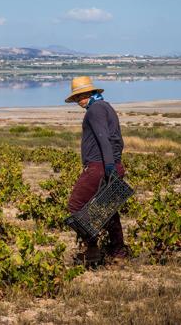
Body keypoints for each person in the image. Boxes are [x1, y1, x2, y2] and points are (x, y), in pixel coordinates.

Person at [65, 76, 127, 265]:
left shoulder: (95, 110)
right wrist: (115, 164)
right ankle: (118, 253)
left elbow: (103, 139)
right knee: (108, 210)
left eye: (81, 96)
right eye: (76, 98)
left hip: (99, 167)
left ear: (91, 93)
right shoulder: (107, 107)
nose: (79, 101)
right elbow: (118, 141)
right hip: (111, 164)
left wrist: (108, 166)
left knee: (75, 206)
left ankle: (91, 249)